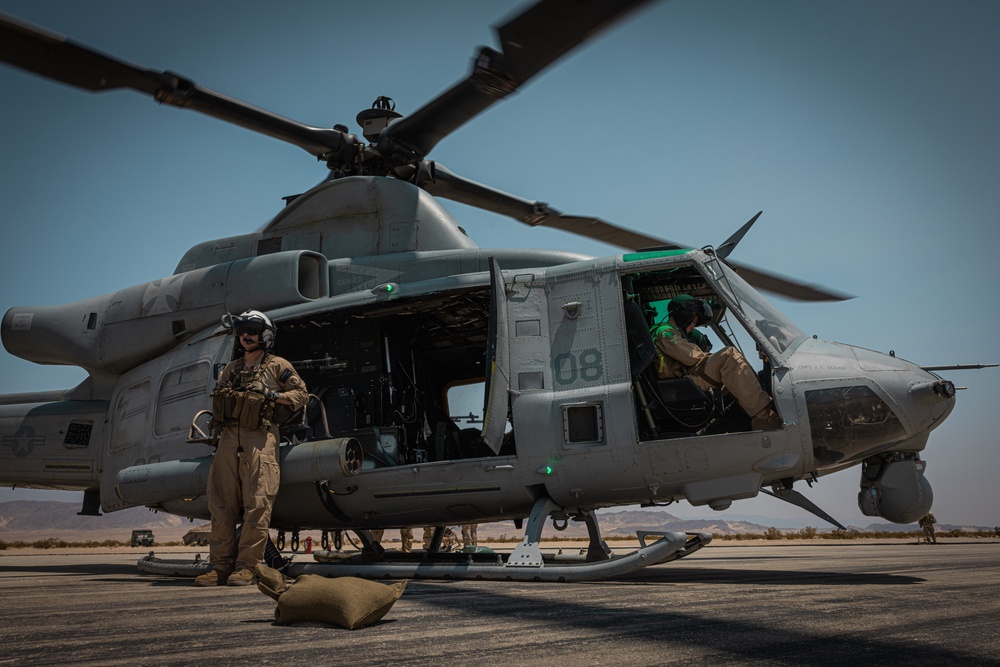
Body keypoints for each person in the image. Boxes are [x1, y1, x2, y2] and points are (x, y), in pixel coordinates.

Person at [195, 310, 308, 587]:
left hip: (260, 437)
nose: (246, 336)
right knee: (221, 504)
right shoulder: (231, 368)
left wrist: (272, 394)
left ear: (265, 335)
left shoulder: (278, 365)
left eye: (253, 331)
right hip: (228, 438)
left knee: (258, 503)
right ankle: (220, 566)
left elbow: (301, 394)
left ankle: (247, 566)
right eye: (242, 331)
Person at [651, 294, 780, 430]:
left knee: (734, 376)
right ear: (685, 314)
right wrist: (717, 358)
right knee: (729, 355)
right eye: (694, 322)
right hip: (679, 386)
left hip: (682, 383)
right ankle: (765, 418)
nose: (693, 327)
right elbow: (693, 357)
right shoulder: (663, 332)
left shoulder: (669, 332)